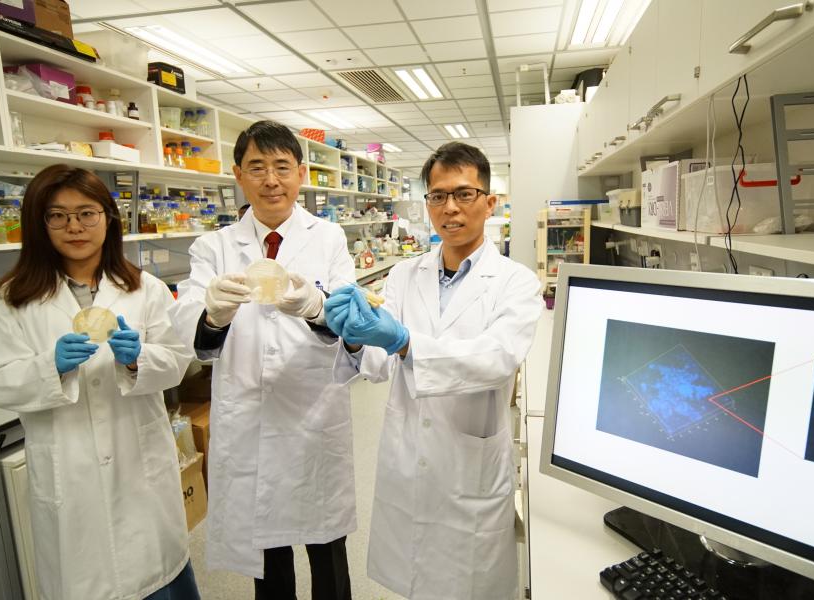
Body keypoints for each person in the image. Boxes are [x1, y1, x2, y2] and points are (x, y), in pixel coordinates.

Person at [325, 142, 543, 600]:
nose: (450, 208)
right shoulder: (405, 275)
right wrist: (354, 336)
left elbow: (496, 358)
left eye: (464, 194)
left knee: (470, 584)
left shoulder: (516, 282)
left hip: (471, 462)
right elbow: (380, 366)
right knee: (417, 578)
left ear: (489, 202)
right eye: (438, 196)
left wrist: (406, 341)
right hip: (409, 455)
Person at [0, 165, 197, 600]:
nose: (74, 226)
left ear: (108, 218)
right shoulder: (12, 298)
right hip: (69, 476)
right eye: (57, 216)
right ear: (40, 224)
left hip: (140, 470)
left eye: (87, 213)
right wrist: (48, 367)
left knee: (157, 578)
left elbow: (177, 362)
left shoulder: (143, 288)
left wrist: (139, 362)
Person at [169, 120, 356, 600]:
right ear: (238, 174)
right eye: (257, 167)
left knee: (327, 549)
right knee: (268, 558)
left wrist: (316, 308)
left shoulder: (329, 238)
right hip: (249, 414)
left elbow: (348, 320)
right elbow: (194, 335)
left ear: (300, 173)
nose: (271, 180)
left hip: (314, 410)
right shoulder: (213, 247)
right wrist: (213, 313)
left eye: (281, 167)